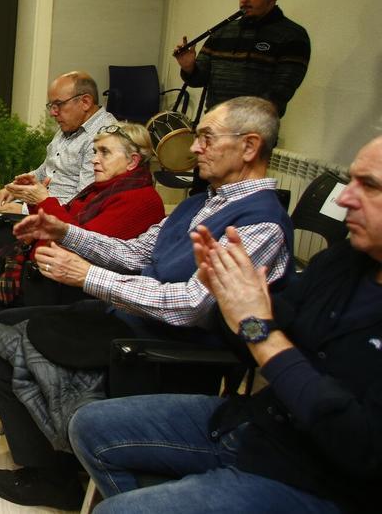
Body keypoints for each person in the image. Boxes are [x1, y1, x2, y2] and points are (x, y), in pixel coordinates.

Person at [0, 96, 294, 509]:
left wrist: (87, 275)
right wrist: (66, 233)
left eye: (205, 138)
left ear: (250, 147)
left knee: (12, 339)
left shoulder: (259, 224)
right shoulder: (204, 202)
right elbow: (135, 253)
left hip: (176, 349)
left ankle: (58, 475)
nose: (194, 148)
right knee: (1, 333)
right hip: (134, 319)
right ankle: (52, 466)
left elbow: (190, 306)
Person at [69, 135, 382, 513]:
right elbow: (260, 334)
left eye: (370, 186)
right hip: (260, 425)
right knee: (89, 426)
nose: (345, 198)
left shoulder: (261, 221)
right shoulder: (346, 261)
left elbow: (360, 447)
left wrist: (259, 330)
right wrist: (228, 297)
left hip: (322, 482)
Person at [0, 122, 164, 387]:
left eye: (104, 152)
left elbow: (75, 242)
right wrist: (34, 201)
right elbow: (60, 228)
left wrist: (43, 201)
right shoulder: (106, 188)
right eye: (95, 151)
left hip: (69, 288)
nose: (94, 159)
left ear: (132, 162)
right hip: (47, 271)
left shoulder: (139, 200)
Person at [0, 71, 117, 274]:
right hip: (41, 206)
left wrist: (23, 210)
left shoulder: (103, 137)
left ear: (85, 101)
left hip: (58, 220)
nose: (53, 113)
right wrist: (17, 186)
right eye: (51, 106)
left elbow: (83, 200)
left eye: (58, 105)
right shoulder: (71, 125)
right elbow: (46, 168)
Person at [173, 0, 310, 119]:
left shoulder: (293, 35)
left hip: (255, 128)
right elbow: (199, 79)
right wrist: (189, 66)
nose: (244, 0)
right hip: (215, 122)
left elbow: (281, 91)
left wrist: (240, 121)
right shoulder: (222, 31)